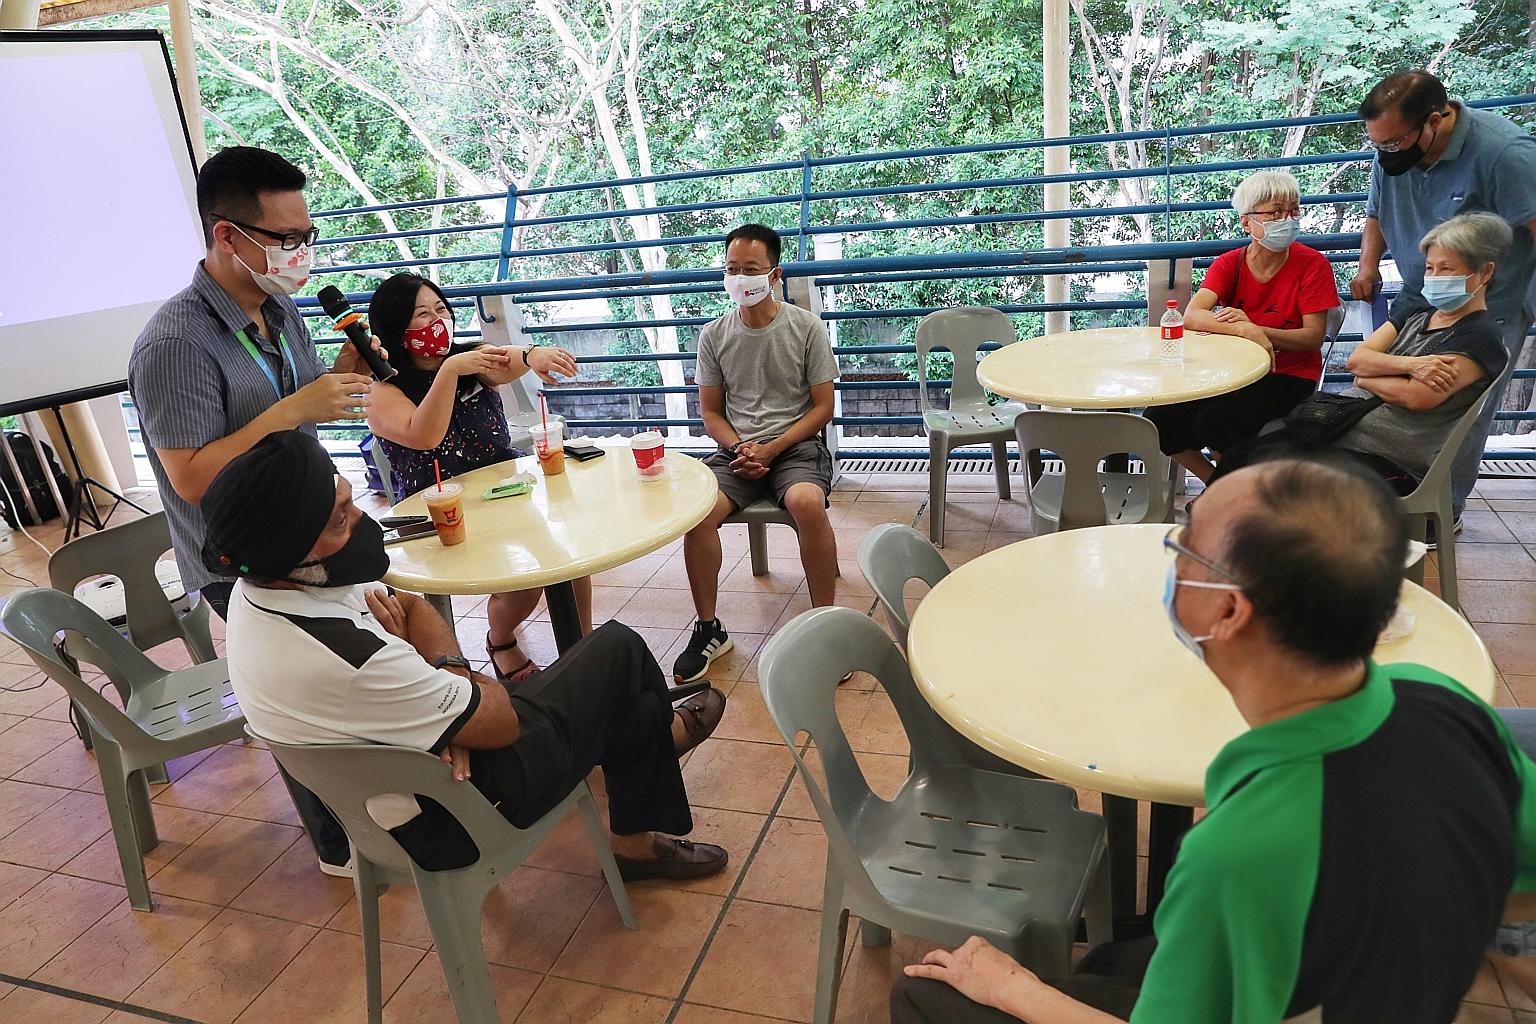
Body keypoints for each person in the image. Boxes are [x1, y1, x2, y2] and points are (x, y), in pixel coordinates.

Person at [891, 456, 1536, 1023]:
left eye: (1185, 547)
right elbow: (1521, 887)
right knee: (1126, 954)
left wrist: (1014, 989)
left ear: (1229, 611)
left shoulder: (1238, 853)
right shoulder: (1443, 698)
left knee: (926, 998)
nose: (1171, 557)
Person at [202, 430, 731, 879]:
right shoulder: (347, 657)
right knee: (617, 649)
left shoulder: (263, 593)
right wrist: (450, 676)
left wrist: (445, 703)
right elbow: (497, 724)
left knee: (623, 700)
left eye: (349, 500)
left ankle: (641, 788)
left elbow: (408, 605)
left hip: (404, 778)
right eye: (341, 520)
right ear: (293, 553)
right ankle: (656, 743)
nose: (362, 520)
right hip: (451, 815)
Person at [127, 145, 381, 875]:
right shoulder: (175, 343)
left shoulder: (281, 309)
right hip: (242, 562)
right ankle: (339, 846)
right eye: (285, 239)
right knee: (305, 703)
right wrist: (290, 408)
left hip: (313, 532)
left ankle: (387, 800)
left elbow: (291, 417)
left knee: (365, 656)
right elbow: (192, 479)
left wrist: (335, 381)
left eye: (308, 235)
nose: (301, 253)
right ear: (226, 237)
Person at [365, 272, 588, 680]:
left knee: (570, 557)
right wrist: (449, 371)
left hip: (504, 493)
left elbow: (510, 358)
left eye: (441, 309)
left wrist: (533, 353)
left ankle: (584, 647)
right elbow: (425, 435)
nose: (438, 320)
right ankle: (501, 639)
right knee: (525, 580)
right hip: (435, 516)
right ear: (396, 329)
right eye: (422, 314)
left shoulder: (471, 359)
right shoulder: (382, 392)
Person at [1211, 211, 1512, 495]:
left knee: (1262, 483)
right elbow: (1357, 361)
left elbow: (1415, 397)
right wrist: (1411, 365)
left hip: (1391, 461)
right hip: (1343, 432)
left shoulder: (1479, 337)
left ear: (1484, 272)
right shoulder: (1417, 314)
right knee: (1239, 460)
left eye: (1447, 269)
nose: (1433, 277)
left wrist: (1369, 377)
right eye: (1430, 268)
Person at [1350, 70, 1536, 527]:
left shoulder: (1505, 154)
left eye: (1393, 143)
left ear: (1435, 120)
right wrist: (1367, 265)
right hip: (1419, 293)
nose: (1385, 152)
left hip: (1490, 305)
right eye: (1379, 144)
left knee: (1462, 410)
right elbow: (1377, 210)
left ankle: (1440, 508)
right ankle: (1391, 486)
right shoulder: (1391, 150)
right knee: (1401, 385)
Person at [673, 223, 840, 683]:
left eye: (751, 269)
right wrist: (740, 447)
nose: (740, 278)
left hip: (795, 446)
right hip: (739, 451)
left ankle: (825, 624)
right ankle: (709, 628)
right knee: (699, 513)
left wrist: (772, 448)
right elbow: (710, 412)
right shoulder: (713, 335)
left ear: (774, 274)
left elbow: (823, 406)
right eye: (732, 269)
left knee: (807, 502)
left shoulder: (805, 328)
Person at [1145, 171, 1339, 483]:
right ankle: (1221, 486)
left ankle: (1233, 494)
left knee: (1217, 422)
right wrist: (1244, 330)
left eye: (1293, 210)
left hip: (1290, 375)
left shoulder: (1311, 264)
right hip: (1235, 372)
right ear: (1246, 222)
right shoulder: (1229, 263)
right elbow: (1193, 315)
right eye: (1276, 211)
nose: (1287, 219)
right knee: (1159, 419)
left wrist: (1257, 329)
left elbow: (1312, 337)